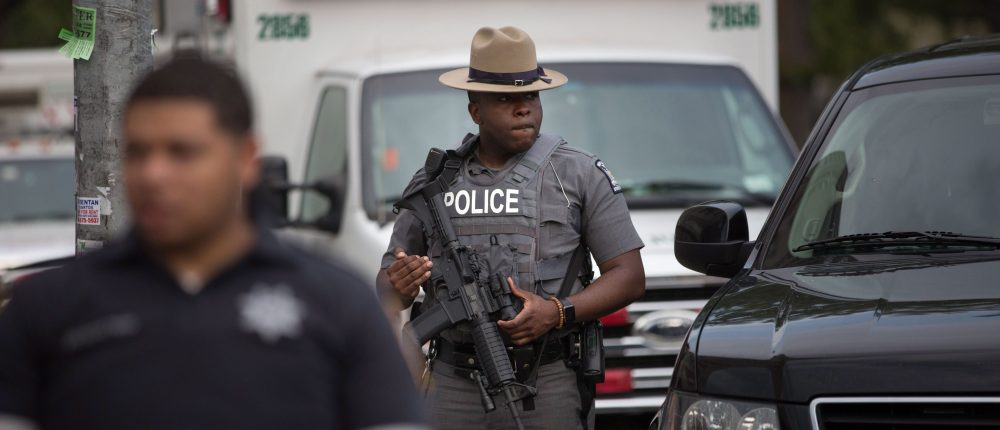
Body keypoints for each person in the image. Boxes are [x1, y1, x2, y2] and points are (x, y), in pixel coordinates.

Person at [0, 54, 427, 430]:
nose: (153, 174)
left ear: (246, 158)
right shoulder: (48, 310)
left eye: (182, 152)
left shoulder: (338, 305)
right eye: (138, 152)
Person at [376, 27, 646, 430]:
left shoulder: (578, 172)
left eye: (531, 96)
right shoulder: (434, 184)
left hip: (546, 379)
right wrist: (398, 283)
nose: (524, 109)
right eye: (506, 99)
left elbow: (629, 277)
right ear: (476, 111)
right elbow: (386, 291)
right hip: (454, 385)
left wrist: (557, 312)